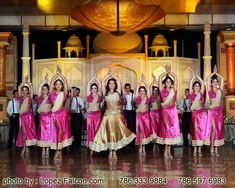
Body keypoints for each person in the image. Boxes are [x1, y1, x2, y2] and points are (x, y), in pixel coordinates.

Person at [90, 72, 135, 160]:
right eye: (110, 83)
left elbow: (118, 81)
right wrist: (108, 75)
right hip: (107, 116)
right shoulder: (105, 93)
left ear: (115, 85)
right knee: (109, 134)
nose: (111, 84)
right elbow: (103, 81)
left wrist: (113, 76)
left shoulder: (118, 92)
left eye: (113, 83)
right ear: (108, 85)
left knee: (115, 134)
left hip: (116, 116)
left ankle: (114, 151)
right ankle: (110, 151)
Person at [157, 66, 181, 158]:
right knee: (167, 129)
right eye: (166, 81)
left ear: (171, 83)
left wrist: (170, 72)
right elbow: (159, 78)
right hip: (165, 111)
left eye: (169, 81)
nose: (168, 82)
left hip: (173, 111)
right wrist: (165, 72)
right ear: (164, 83)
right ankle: (166, 151)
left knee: (172, 130)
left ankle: (169, 150)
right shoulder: (162, 90)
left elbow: (176, 78)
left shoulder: (173, 90)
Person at [49, 67, 73, 160]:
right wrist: (56, 74)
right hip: (54, 115)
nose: (58, 85)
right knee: (57, 132)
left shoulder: (64, 93)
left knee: (61, 131)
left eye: (60, 84)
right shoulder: (51, 93)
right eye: (57, 84)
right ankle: (58, 150)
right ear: (54, 85)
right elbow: (51, 83)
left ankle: (58, 151)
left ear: (62, 86)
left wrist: (61, 75)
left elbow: (66, 83)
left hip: (63, 115)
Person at [135, 74, 156, 154]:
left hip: (146, 116)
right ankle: (141, 147)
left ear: (145, 92)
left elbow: (149, 88)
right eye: (141, 91)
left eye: (143, 91)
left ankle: (144, 146)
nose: (142, 92)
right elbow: (137, 88)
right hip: (139, 116)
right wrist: (141, 81)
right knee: (141, 131)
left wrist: (145, 81)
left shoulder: (148, 97)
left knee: (145, 132)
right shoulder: (137, 97)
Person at [16, 76, 37, 156]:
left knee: (28, 133)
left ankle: (27, 147)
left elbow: (32, 88)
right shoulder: (20, 98)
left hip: (29, 117)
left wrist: (28, 83)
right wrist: (23, 82)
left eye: (26, 90)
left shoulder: (30, 97)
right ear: (21, 91)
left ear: (28, 91)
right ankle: (24, 147)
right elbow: (19, 87)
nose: (24, 91)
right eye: (23, 90)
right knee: (24, 132)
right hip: (22, 117)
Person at [206, 68, 224, 156]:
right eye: (214, 81)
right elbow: (207, 79)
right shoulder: (210, 90)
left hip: (219, 112)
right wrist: (213, 73)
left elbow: (223, 79)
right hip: (212, 112)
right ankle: (212, 147)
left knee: (218, 130)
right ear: (211, 83)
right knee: (213, 130)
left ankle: (216, 148)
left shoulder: (220, 90)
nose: (215, 82)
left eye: (217, 81)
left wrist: (217, 73)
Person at [189, 73, 208, 156]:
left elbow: (203, 83)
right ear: (193, 87)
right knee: (195, 130)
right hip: (194, 114)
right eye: (195, 86)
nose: (197, 87)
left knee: (201, 131)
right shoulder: (191, 94)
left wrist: (198, 77)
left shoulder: (201, 93)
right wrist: (194, 77)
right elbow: (190, 83)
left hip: (202, 114)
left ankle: (199, 148)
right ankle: (195, 148)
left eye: (198, 86)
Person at [37, 75, 53, 157]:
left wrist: (48, 82)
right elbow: (39, 89)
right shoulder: (40, 98)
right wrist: (44, 82)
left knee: (49, 133)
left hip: (49, 118)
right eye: (43, 89)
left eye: (46, 89)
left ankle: (48, 149)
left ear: (48, 90)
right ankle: (43, 148)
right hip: (42, 118)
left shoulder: (50, 98)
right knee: (43, 133)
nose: (44, 90)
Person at [86, 74, 102, 155]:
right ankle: (91, 147)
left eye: (95, 88)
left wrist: (97, 79)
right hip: (90, 115)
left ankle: (97, 147)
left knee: (97, 130)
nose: (94, 89)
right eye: (92, 88)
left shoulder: (99, 96)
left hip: (98, 115)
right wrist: (93, 78)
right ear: (90, 89)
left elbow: (100, 85)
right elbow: (88, 84)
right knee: (90, 130)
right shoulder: (88, 95)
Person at [149, 74, 162, 150]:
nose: (155, 91)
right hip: (152, 113)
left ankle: (158, 143)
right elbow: (150, 88)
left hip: (159, 113)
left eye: (157, 90)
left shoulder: (160, 96)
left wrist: (156, 81)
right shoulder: (151, 96)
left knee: (158, 128)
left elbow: (160, 88)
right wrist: (153, 80)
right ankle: (154, 144)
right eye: (154, 90)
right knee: (153, 128)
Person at [123, 83, 136, 147]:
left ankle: (132, 143)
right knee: (126, 127)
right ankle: (127, 142)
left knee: (132, 127)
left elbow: (136, 104)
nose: (128, 89)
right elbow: (120, 103)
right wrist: (123, 101)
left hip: (132, 112)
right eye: (126, 88)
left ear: (130, 88)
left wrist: (134, 103)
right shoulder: (123, 95)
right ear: (125, 89)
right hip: (125, 112)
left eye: (129, 88)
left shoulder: (133, 95)